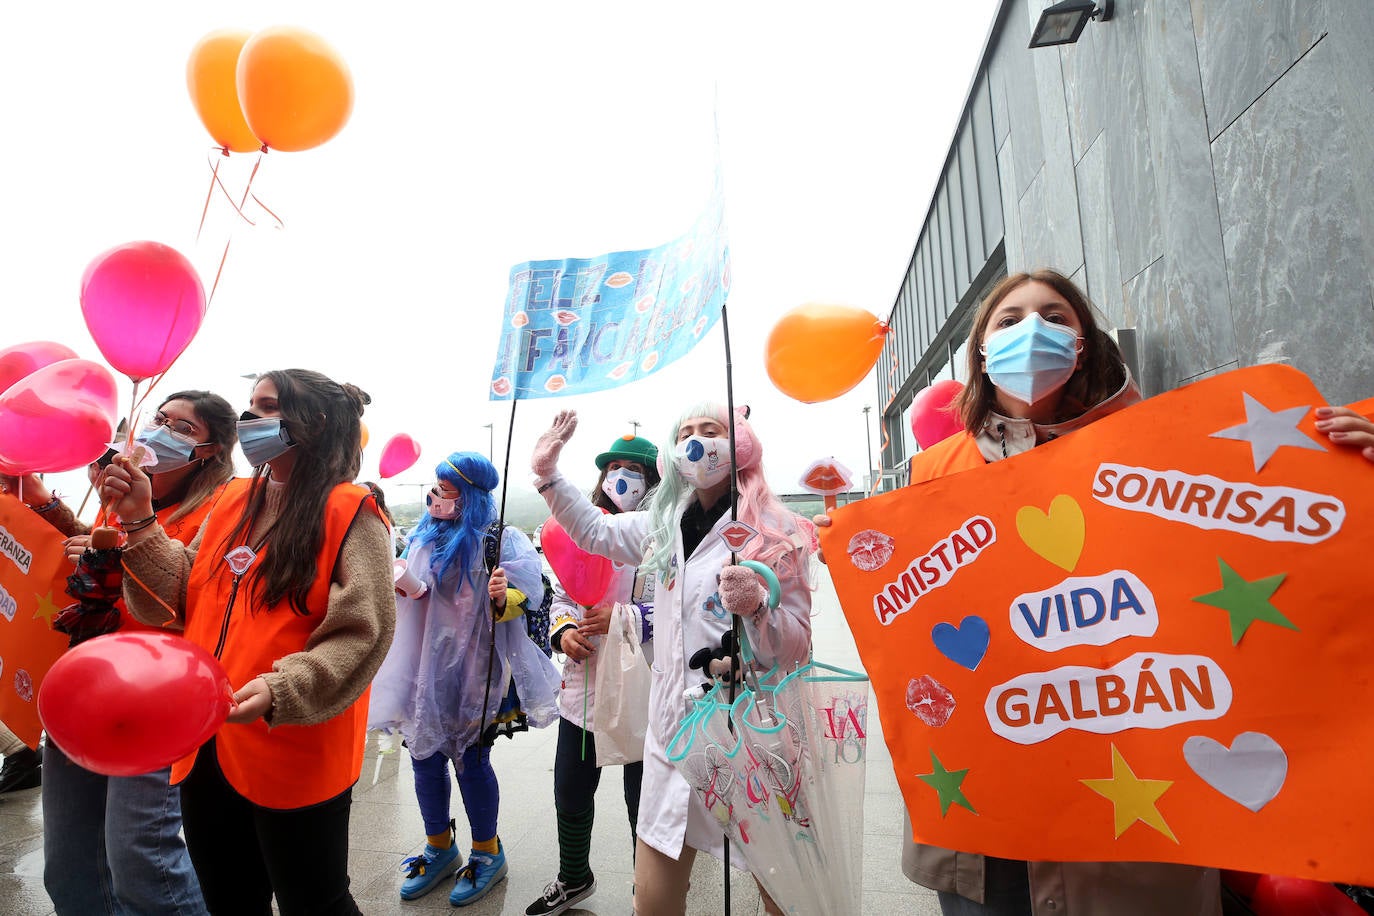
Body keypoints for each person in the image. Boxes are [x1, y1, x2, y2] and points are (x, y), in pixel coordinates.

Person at [823, 268, 1374, 915]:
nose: (1033, 330)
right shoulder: (929, 477)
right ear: (979, 350)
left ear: (1084, 344)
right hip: (987, 838)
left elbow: (1283, 572)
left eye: (1056, 316)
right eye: (1009, 319)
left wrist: (1345, 484)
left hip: (1135, 825)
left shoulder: (1164, 456)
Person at [102, 369, 396, 916]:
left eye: (265, 408)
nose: (249, 420)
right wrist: (140, 521)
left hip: (294, 741)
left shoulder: (351, 510)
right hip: (209, 739)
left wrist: (283, 688)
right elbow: (179, 596)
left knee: (316, 900)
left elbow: (363, 632)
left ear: (315, 424)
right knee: (229, 896)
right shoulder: (234, 499)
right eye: (250, 405)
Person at [531, 403, 814, 916]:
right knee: (654, 901)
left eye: (712, 431)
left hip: (753, 733)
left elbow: (797, 643)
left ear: (741, 443)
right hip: (674, 732)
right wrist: (548, 475)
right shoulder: (663, 524)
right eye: (686, 432)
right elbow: (594, 531)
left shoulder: (777, 529)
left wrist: (757, 608)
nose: (697, 442)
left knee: (782, 895)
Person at [6, 389, 237, 915]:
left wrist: (130, 529)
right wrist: (43, 502)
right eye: (159, 418)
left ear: (210, 452)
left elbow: (174, 598)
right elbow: (92, 548)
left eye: (183, 428)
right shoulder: (125, 500)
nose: (160, 431)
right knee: (69, 867)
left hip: (155, 699)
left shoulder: (222, 511)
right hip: (86, 683)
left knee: (142, 864)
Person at [369, 451, 560, 906]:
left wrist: (504, 595)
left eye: (446, 488)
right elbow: (415, 589)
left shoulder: (501, 539)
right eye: (435, 485)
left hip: (475, 668)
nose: (436, 495)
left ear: (470, 495)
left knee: (471, 760)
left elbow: (531, 596)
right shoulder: (425, 535)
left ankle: (487, 852)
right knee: (423, 755)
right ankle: (439, 846)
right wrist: (401, 581)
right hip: (423, 666)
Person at [525, 433, 661, 916]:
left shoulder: (664, 535)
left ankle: (648, 889)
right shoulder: (581, 530)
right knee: (570, 787)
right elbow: (562, 596)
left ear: (654, 480)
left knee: (643, 797)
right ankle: (574, 877)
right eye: (613, 467)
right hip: (584, 683)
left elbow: (683, 609)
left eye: (635, 469)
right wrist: (563, 631)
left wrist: (627, 617)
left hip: (646, 683)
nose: (621, 477)